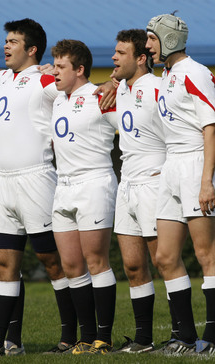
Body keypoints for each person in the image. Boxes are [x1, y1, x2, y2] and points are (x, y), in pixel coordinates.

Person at [0, 19, 76, 356]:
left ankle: (70, 336)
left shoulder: (44, 80)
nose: (6, 46)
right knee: (3, 263)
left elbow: (79, 84)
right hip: (1, 182)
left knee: (51, 260)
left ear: (31, 49)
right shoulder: (0, 79)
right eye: (6, 40)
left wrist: (110, 84)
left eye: (13, 41)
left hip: (35, 179)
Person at [146, 13, 215, 355]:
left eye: (152, 38)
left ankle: (213, 338)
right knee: (165, 256)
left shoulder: (196, 73)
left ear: (169, 39)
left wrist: (206, 181)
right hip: (172, 166)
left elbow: (211, 127)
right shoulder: (167, 75)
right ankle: (184, 338)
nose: (147, 45)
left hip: (195, 165)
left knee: (207, 254)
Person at [49, 39, 118, 354]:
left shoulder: (101, 96)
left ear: (79, 69)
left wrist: (115, 82)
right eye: (54, 65)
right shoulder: (57, 99)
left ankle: (103, 338)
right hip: (62, 186)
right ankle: (86, 337)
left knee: (95, 261)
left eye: (61, 66)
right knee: (71, 265)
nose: (55, 72)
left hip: (94, 183)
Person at [109, 29, 166, 354]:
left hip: (154, 183)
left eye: (121, 53)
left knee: (164, 260)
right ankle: (144, 340)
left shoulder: (158, 89)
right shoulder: (122, 90)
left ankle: (181, 335)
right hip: (127, 184)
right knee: (132, 265)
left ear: (141, 58)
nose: (113, 58)